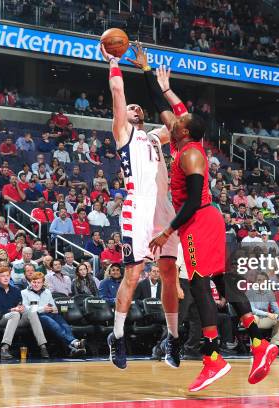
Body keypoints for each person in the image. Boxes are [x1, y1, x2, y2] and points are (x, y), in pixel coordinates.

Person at [146, 63, 276, 390]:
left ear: (185, 131)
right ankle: (260, 345)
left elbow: (190, 202)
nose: (174, 121)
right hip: (206, 219)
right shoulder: (181, 141)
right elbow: (168, 108)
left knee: (201, 286)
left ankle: (213, 358)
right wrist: (151, 74)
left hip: (198, 220)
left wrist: (166, 231)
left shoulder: (190, 156)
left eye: (180, 122)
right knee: (222, 279)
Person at [101, 43, 181, 373]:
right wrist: (115, 63)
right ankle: (117, 336)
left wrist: (150, 75)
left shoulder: (153, 138)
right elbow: (118, 91)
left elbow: (178, 122)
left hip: (163, 211)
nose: (135, 110)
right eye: (131, 108)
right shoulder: (123, 133)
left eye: (138, 108)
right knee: (133, 276)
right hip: (137, 207)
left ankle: (173, 339)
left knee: (168, 273)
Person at [0, 266, 49, 360]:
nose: (6, 278)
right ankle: (4, 348)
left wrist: (21, 308)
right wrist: (12, 310)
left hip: (16, 318)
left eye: (7, 275)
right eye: (3, 276)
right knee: (15, 314)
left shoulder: (15, 290)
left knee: (31, 312)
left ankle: (43, 347)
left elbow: (19, 304)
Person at [21, 272, 86, 357]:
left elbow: (52, 304)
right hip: (37, 316)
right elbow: (26, 309)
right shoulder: (24, 293)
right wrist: (42, 309)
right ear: (30, 282)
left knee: (65, 325)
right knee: (53, 324)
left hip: (50, 313)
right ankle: (75, 342)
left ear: (43, 283)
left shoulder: (47, 292)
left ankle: (72, 348)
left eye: (39, 282)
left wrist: (54, 309)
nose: (36, 284)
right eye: (34, 282)